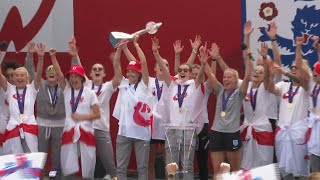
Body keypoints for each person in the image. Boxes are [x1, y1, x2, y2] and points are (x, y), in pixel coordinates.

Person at [153, 39, 209, 180]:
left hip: (188, 130)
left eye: (186, 70)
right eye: (180, 70)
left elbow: (201, 75)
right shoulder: (172, 84)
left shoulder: (194, 85)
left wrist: (202, 64)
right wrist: (156, 52)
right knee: (172, 165)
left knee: (187, 165)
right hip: (172, 129)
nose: (183, 72)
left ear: (190, 73)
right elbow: (163, 68)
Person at [69, 36, 121, 180]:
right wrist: (75, 54)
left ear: (104, 74)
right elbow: (78, 67)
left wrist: (116, 61)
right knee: (86, 163)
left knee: (109, 162)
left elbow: (118, 78)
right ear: (90, 74)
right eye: (94, 69)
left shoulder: (108, 87)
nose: (97, 70)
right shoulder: (86, 85)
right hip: (86, 129)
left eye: (100, 69)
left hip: (102, 129)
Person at [50, 48, 100, 179]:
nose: (73, 79)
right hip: (69, 130)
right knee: (68, 164)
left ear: (82, 78)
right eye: (71, 76)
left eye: (76, 76)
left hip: (86, 131)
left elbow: (97, 114)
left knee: (88, 165)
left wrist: (81, 117)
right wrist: (53, 57)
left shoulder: (90, 93)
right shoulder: (67, 89)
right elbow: (59, 74)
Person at [268, 37, 311, 179]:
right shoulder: (284, 86)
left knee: (301, 170)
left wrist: (284, 71)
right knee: (284, 170)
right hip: (283, 133)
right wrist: (271, 74)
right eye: (292, 67)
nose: (293, 69)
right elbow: (270, 88)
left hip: (298, 133)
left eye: (296, 67)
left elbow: (301, 80)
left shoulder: (307, 87)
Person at [207, 47, 251, 179]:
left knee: (235, 170)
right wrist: (205, 62)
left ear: (236, 80)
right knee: (218, 169)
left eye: (229, 77)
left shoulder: (239, 93)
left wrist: (248, 59)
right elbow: (210, 75)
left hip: (232, 134)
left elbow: (248, 76)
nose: (225, 79)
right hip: (216, 133)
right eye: (224, 77)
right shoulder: (220, 90)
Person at [24, 41, 66, 178]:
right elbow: (30, 70)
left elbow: (61, 74)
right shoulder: (39, 84)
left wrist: (54, 59)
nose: (52, 72)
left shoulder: (64, 86)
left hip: (59, 124)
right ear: (45, 75)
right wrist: (30, 55)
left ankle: (55, 175)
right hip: (42, 123)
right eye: (49, 71)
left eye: (54, 71)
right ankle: (40, 175)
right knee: (40, 152)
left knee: (57, 153)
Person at [112, 35, 151, 180]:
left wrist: (136, 45)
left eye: (133, 72)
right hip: (124, 131)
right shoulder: (123, 84)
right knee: (121, 168)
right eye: (128, 71)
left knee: (142, 168)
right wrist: (120, 49)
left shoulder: (144, 85)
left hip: (142, 133)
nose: (129, 74)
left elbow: (144, 63)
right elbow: (116, 65)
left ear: (139, 73)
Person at [0, 43, 44, 154]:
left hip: (29, 127)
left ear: (27, 77)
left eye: (22, 75)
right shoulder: (9, 89)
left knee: (31, 157)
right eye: (17, 75)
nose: (19, 78)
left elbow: (38, 75)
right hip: (13, 128)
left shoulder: (32, 89)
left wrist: (41, 57)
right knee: (14, 159)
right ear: (13, 78)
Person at [240, 43, 274, 169]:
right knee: (247, 165)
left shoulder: (265, 87)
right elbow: (246, 69)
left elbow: (268, 77)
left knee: (264, 166)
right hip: (248, 131)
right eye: (256, 71)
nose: (257, 73)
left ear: (264, 77)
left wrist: (264, 58)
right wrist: (247, 56)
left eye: (261, 72)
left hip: (263, 130)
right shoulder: (245, 86)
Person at [0, 55, 22, 155]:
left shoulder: (25, 90)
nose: (10, 78)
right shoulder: (4, 88)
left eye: (12, 75)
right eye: (7, 76)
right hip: (3, 128)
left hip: (18, 129)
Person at [307, 35, 320, 173]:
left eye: (317, 71)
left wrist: (319, 51)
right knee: (315, 172)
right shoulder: (313, 85)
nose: (314, 73)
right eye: (314, 71)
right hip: (315, 135)